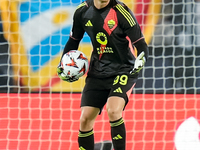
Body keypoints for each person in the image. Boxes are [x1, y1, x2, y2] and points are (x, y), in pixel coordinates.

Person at [57, 0, 149, 149]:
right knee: (85, 119)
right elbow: (73, 41)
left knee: (113, 110)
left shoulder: (122, 12)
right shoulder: (82, 12)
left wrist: (140, 61)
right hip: (97, 71)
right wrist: (63, 64)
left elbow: (141, 45)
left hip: (124, 69)